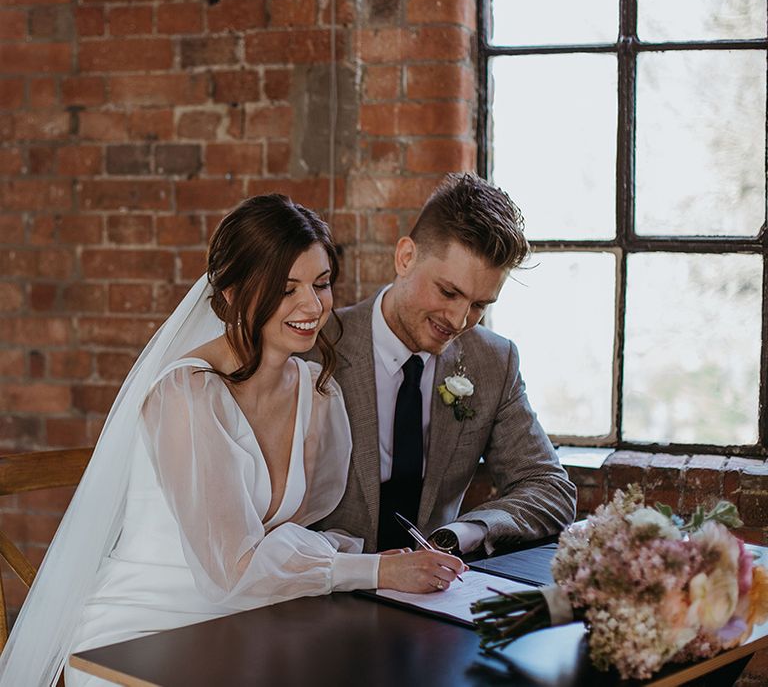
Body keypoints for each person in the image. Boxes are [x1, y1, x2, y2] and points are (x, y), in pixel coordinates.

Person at [0, 195, 464, 687]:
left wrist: (353, 564)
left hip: (247, 620)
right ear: (232, 291)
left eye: (322, 284)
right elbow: (234, 569)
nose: (312, 306)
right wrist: (371, 571)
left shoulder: (316, 392)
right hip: (140, 632)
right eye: (287, 289)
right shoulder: (186, 394)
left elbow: (297, 531)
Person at [308, 173, 577, 556]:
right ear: (405, 258)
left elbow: (549, 486)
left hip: (436, 596)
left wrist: (464, 532)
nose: (459, 319)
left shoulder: (493, 362)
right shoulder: (317, 348)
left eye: (480, 304)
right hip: (323, 593)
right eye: (448, 291)